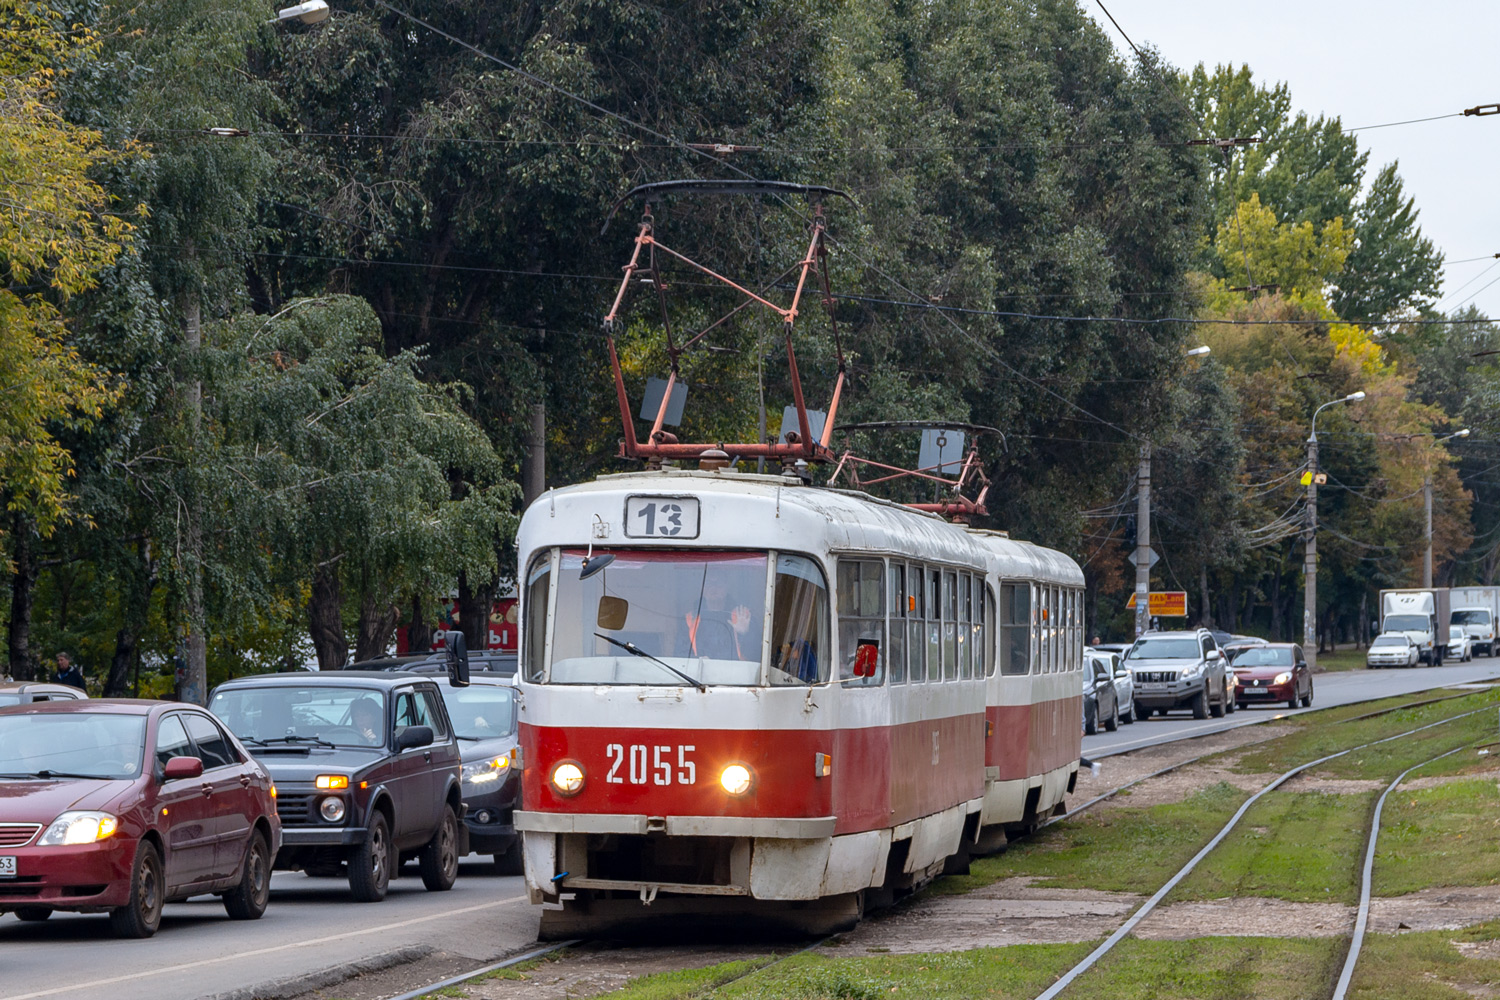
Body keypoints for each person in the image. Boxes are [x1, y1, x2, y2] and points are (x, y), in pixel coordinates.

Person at [682, 573, 755, 660]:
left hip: (735, 672)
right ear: (703, 588)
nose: (713, 588)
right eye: (708, 583)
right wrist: (697, 660)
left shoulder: (743, 616)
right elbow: (681, 655)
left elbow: (757, 657)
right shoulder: (690, 619)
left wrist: (744, 633)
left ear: (727, 587)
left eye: (719, 583)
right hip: (697, 672)